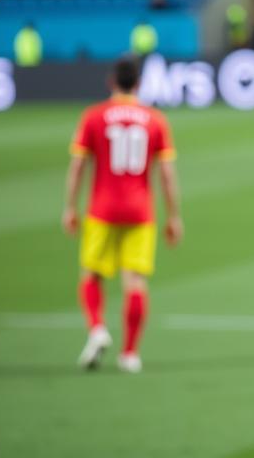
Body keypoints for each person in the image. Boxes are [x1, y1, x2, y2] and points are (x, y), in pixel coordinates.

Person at [62, 56, 183, 373]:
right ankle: (130, 354)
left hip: (101, 209)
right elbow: (167, 174)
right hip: (141, 212)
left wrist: (69, 208)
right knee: (135, 282)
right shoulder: (155, 119)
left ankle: (97, 328)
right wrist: (174, 216)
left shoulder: (94, 116)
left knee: (91, 274)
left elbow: (77, 166)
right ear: (139, 83)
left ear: (111, 82)